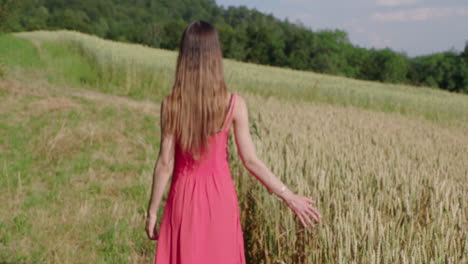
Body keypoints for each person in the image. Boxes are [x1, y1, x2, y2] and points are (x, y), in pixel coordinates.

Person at [145, 20, 321, 264]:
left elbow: (165, 164)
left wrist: (153, 211)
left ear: (185, 55)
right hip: (220, 199)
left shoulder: (172, 104)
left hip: (183, 197)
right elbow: (250, 160)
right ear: (216, 57)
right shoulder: (234, 104)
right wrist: (289, 196)